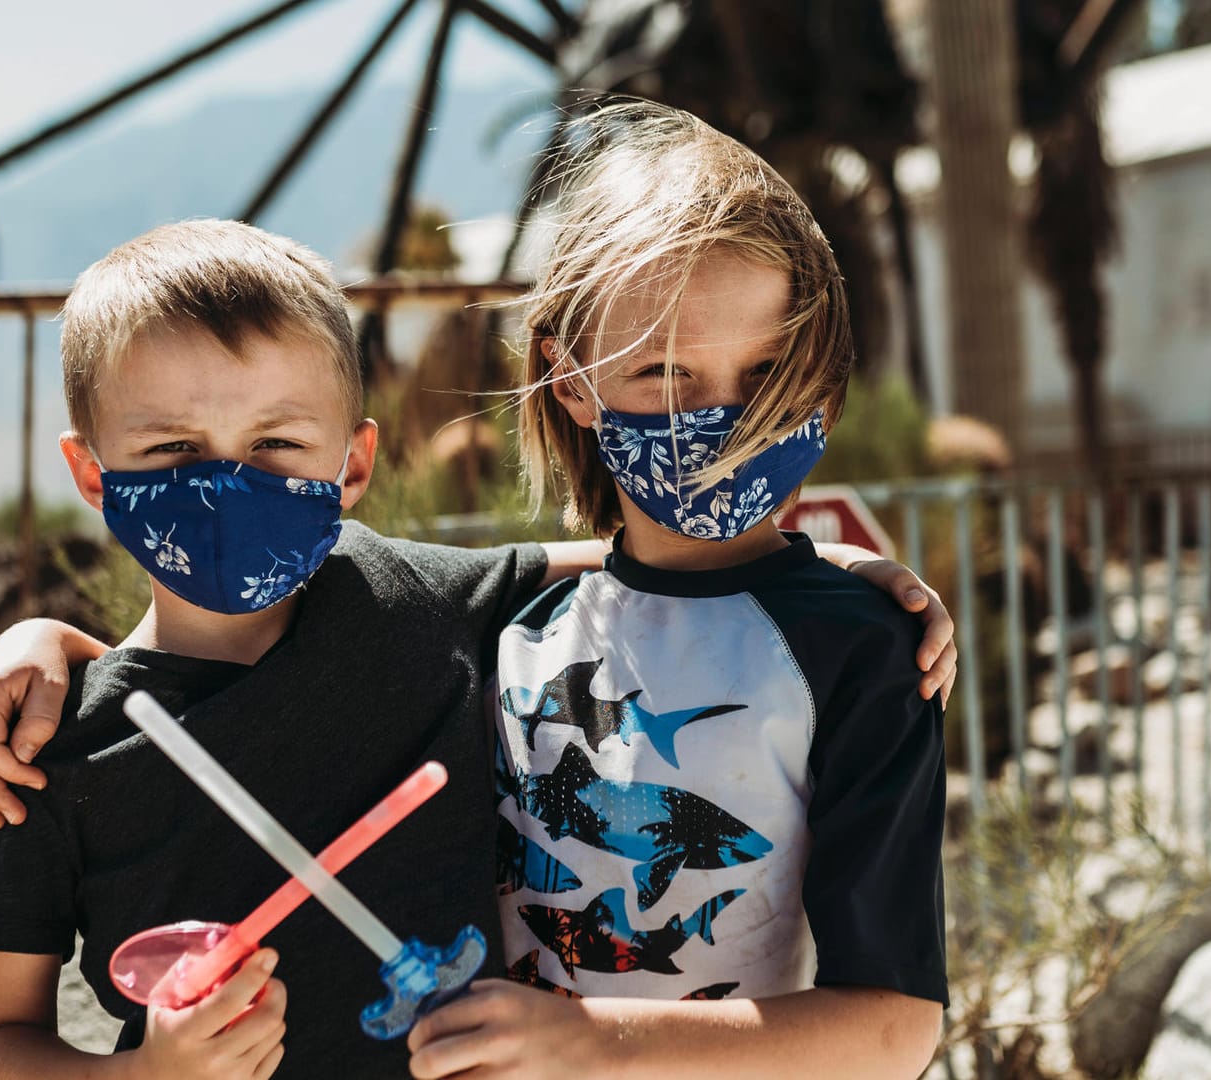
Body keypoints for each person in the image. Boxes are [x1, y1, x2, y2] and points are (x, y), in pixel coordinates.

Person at [0, 219, 957, 1080]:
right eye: (172, 450)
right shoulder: (40, 747)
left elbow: (638, 561)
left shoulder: (405, 596)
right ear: (91, 472)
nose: (227, 483)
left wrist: (829, 566)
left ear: (354, 466)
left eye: (276, 446)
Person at [403, 101, 948, 1079]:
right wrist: (46, 647)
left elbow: (896, 1025)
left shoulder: (860, 650)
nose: (725, 419)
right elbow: (252, 648)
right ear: (569, 380)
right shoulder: (508, 624)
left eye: (766, 371)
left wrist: (596, 1044)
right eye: (662, 371)